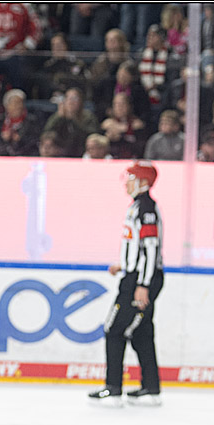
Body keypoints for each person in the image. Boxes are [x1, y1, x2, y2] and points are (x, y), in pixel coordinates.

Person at [89, 161, 165, 406]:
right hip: (137, 275)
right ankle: (151, 388)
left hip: (139, 280)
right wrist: (123, 264)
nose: (127, 182)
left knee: (114, 329)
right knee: (141, 332)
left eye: (131, 178)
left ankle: (113, 389)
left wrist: (142, 284)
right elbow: (139, 247)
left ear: (143, 182)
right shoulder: (138, 207)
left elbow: (151, 249)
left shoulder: (146, 209)